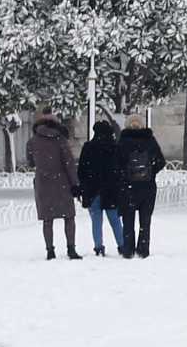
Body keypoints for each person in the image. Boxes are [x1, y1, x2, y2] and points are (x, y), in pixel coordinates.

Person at [25, 109, 80, 260]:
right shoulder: (61, 140)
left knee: (47, 219)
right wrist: (75, 184)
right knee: (69, 217)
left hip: (43, 183)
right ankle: (71, 249)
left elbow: (30, 163)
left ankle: (50, 250)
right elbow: (69, 163)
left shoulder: (32, 141)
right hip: (62, 183)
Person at [117, 118, 167, 259]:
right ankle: (143, 249)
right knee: (145, 221)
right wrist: (150, 173)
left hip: (128, 188)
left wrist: (125, 175)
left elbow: (116, 164)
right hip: (147, 187)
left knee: (128, 220)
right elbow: (161, 161)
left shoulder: (123, 141)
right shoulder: (150, 140)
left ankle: (128, 250)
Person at [77, 118, 125, 257]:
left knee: (96, 221)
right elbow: (120, 170)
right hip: (111, 190)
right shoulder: (115, 147)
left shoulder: (88, 147)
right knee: (115, 221)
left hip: (92, 189)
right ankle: (122, 245)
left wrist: (82, 187)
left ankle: (98, 247)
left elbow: (81, 170)